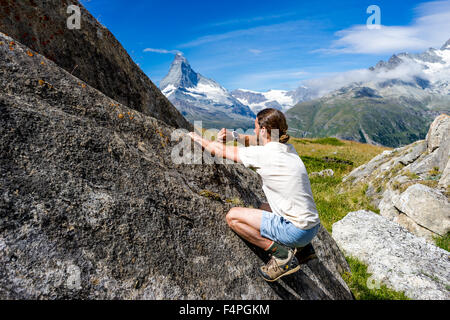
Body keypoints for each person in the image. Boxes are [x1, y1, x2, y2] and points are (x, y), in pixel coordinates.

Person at [188, 108, 321, 282]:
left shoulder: (263, 154)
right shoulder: (288, 148)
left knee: (233, 217)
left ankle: (282, 256)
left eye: (256, 127)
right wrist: (235, 136)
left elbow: (218, 151)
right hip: (312, 227)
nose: (254, 131)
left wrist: (196, 137)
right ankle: (304, 249)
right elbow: (258, 140)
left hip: (295, 231)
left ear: (264, 130)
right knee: (263, 207)